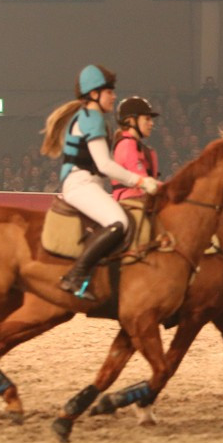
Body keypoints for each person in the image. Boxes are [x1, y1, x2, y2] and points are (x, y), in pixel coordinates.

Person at [41, 65, 159, 300]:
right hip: (80, 184)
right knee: (118, 223)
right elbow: (105, 165)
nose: (114, 97)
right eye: (109, 92)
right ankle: (75, 275)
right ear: (94, 94)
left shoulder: (91, 117)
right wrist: (141, 181)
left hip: (89, 184)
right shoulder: (92, 118)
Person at [110, 96, 161, 201]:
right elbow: (143, 181)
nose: (151, 123)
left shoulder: (134, 144)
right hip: (130, 199)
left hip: (140, 198)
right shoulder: (127, 144)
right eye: (147, 119)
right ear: (131, 121)